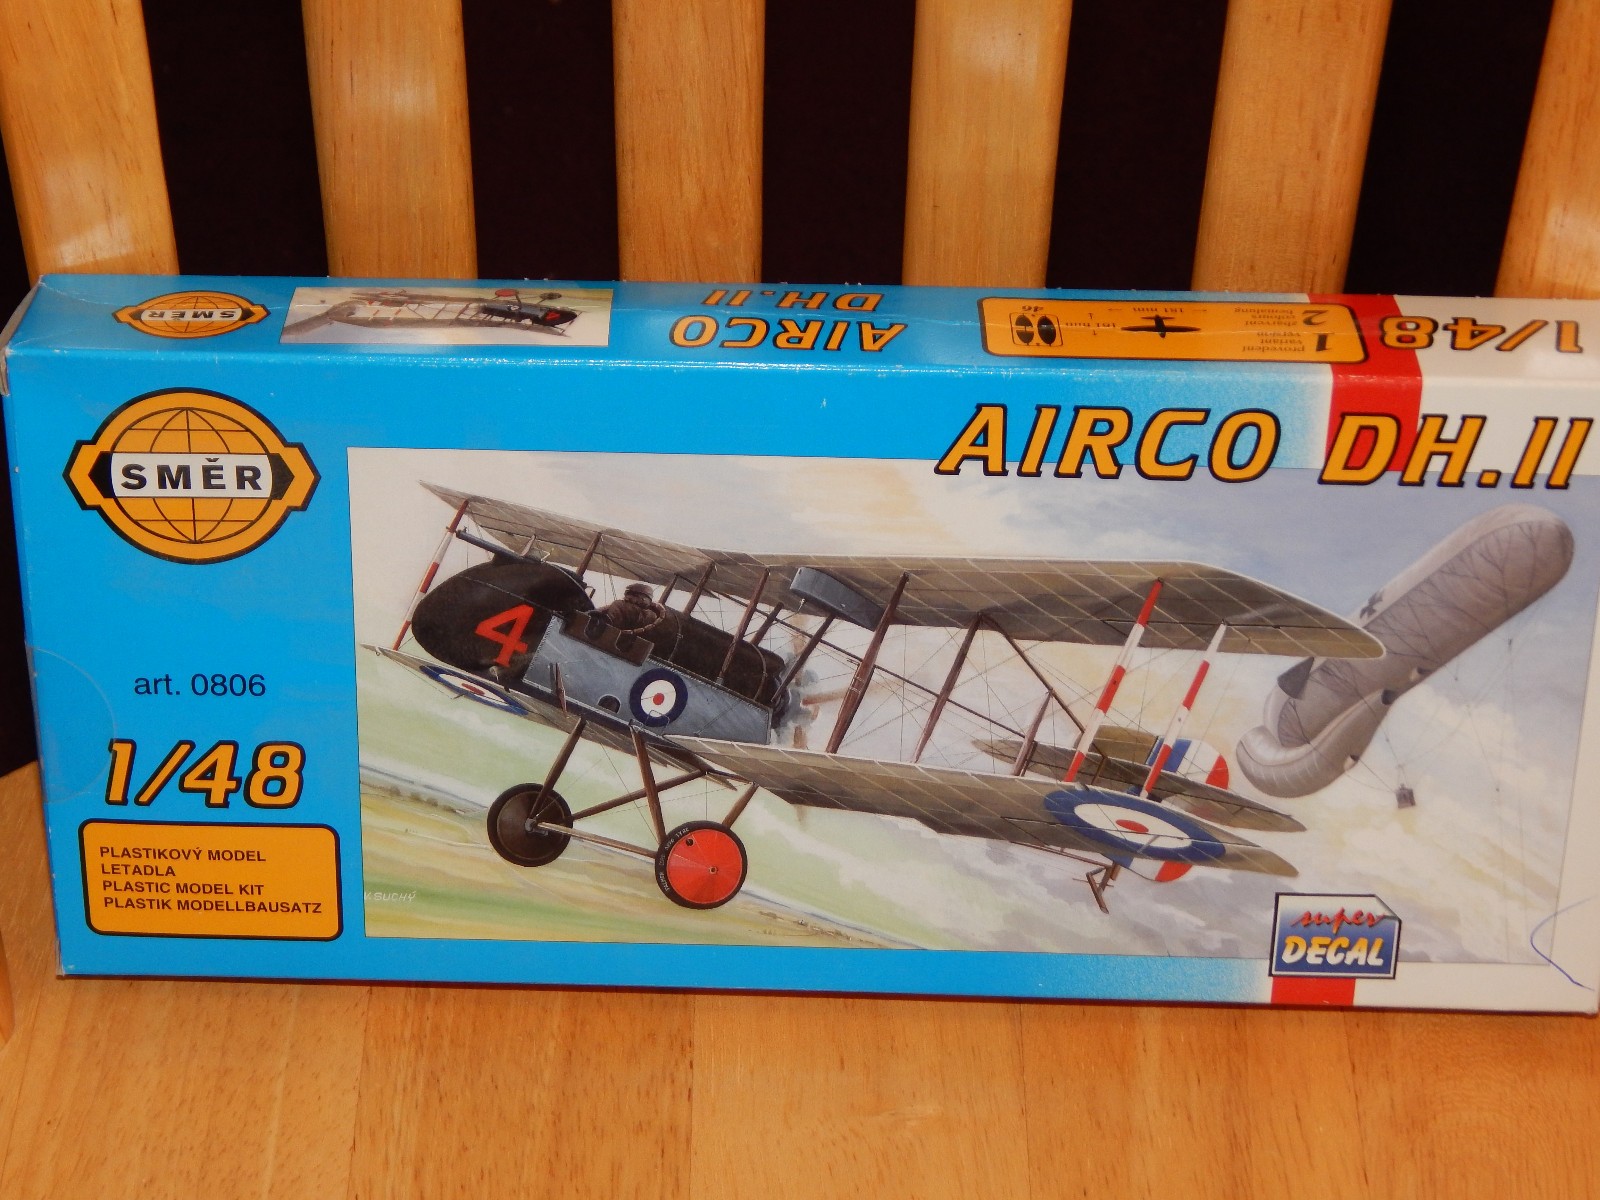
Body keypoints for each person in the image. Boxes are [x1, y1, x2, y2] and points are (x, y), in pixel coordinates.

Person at [599, 582, 667, 633]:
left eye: (632, 595)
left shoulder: (620, 605)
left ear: (643, 599)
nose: (626, 598)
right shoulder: (653, 615)